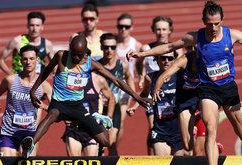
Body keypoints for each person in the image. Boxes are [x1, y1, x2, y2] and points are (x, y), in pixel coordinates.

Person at [127, 0, 242, 165]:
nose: (213, 28)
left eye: (217, 23)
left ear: (222, 21)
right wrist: (142, 54)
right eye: (209, 23)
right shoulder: (196, 38)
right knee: (211, 129)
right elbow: (169, 47)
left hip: (228, 89)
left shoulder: (232, 35)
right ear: (203, 21)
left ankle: (240, 112)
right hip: (207, 90)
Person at [21, 35, 152, 158]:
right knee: (52, 114)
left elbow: (116, 80)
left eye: (80, 55)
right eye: (74, 54)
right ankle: (30, 144)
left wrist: (137, 97)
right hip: (59, 103)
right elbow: (45, 72)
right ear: (70, 48)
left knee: (105, 141)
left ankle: (97, 119)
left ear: (85, 52)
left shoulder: (90, 63)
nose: (76, 58)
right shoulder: (61, 56)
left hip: (77, 105)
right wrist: (33, 91)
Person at [0, 45, 52, 156]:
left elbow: (56, 109)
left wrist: (45, 106)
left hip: (29, 134)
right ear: (21, 61)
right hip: (9, 132)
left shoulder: (44, 86)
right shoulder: (10, 80)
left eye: (32, 59)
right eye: (25, 59)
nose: (28, 62)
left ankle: (25, 150)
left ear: (37, 61)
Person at [133, 16, 181, 155]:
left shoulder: (176, 48)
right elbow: (138, 62)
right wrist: (141, 75)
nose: (161, 32)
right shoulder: (146, 48)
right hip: (153, 92)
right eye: (158, 29)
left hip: (171, 91)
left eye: (164, 29)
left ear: (169, 31)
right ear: (153, 30)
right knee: (153, 125)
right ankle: (152, 158)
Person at [128, 51, 185, 156]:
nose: (166, 62)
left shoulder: (180, 77)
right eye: (163, 58)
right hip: (160, 130)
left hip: (178, 131)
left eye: (170, 59)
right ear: (157, 60)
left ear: (175, 60)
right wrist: (135, 107)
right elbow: (145, 94)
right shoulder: (150, 78)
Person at [98, 33, 135, 156]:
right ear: (101, 47)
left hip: (115, 109)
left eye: (113, 47)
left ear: (116, 48)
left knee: (111, 142)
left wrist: (131, 96)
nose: (109, 50)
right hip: (98, 108)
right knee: (97, 144)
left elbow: (129, 78)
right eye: (106, 47)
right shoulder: (96, 66)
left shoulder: (122, 66)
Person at [63, 71, 115, 156]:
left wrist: (108, 119)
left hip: (93, 130)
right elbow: (61, 98)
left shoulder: (98, 80)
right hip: (74, 129)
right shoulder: (69, 79)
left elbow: (111, 98)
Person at [0, 11, 53, 75]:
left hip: (37, 83)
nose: (34, 29)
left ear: (42, 27)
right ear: (27, 26)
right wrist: (12, 76)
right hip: (19, 82)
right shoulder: (17, 41)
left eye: (37, 25)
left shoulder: (47, 44)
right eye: (32, 25)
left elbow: (54, 65)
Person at [116, 13, 143, 148]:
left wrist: (141, 78)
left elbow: (142, 64)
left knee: (119, 121)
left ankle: (113, 148)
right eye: (120, 26)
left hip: (126, 90)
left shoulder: (136, 45)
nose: (123, 29)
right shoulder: (111, 44)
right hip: (111, 88)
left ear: (131, 27)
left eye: (126, 26)